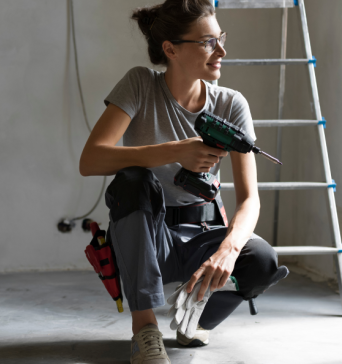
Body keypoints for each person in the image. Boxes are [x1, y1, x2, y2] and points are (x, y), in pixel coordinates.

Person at [79, 1, 288, 363]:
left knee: (262, 260)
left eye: (220, 38)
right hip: (145, 235)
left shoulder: (231, 104)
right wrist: (174, 151)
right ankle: (144, 331)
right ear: (170, 49)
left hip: (203, 232)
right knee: (132, 179)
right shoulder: (140, 84)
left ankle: (196, 322)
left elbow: (249, 199)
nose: (221, 50)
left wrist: (228, 250)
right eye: (208, 42)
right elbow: (91, 159)